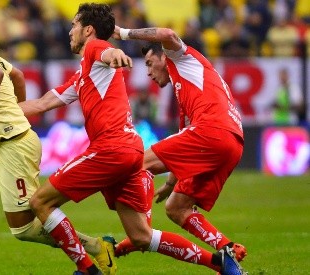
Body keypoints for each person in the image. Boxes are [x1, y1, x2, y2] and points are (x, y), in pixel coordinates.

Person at [20, 3, 245, 275]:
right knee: (144, 234)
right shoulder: (83, 75)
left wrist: (118, 50)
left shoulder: (95, 49)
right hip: (144, 148)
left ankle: (88, 268)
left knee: (40, 202)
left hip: (112, 148)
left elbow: (107, 50)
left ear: (88, 29)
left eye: (74, 25)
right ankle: (220, 261)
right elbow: (42, 103)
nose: (70, 31)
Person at [0, 3, 116, 275]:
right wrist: (6, 113)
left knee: (24, 229)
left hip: (12, 146)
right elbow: (16, 75)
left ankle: (96, 247)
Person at [112, 23, 248, 272]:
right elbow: (185, 144)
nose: (149, 73)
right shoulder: (185, 87)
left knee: (136, 162)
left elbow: (166, 34)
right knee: (177, 207)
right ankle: (229, 251)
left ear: (164, 56)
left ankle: (140, 234)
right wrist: (170, 183)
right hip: (232, 142)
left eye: (149, 63)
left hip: (212, 130)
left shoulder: (180, 57)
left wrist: (122, 34)